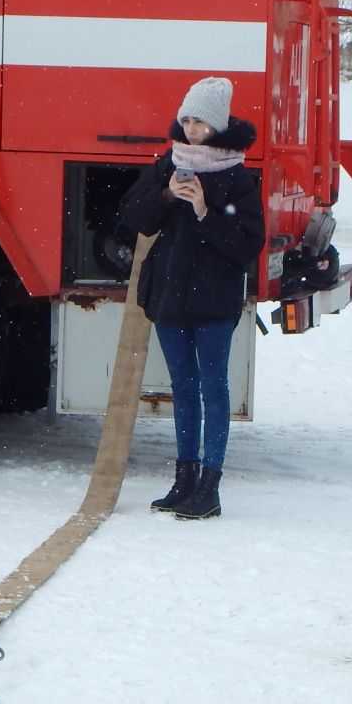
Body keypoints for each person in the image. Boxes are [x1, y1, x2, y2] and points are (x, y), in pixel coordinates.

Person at [116, 75, 265, 520]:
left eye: (200, 121)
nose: (192, 129)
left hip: (214, 299)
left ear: (217, 125)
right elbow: (133, 216)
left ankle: (210, 485)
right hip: (169, 294)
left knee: (213, 388)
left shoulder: (237, 175)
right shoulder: (171, 162)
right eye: (187, 120)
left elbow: (246, 245)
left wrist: (203, 211)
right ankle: (183, 479)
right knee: (182, 387)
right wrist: (165, 195)